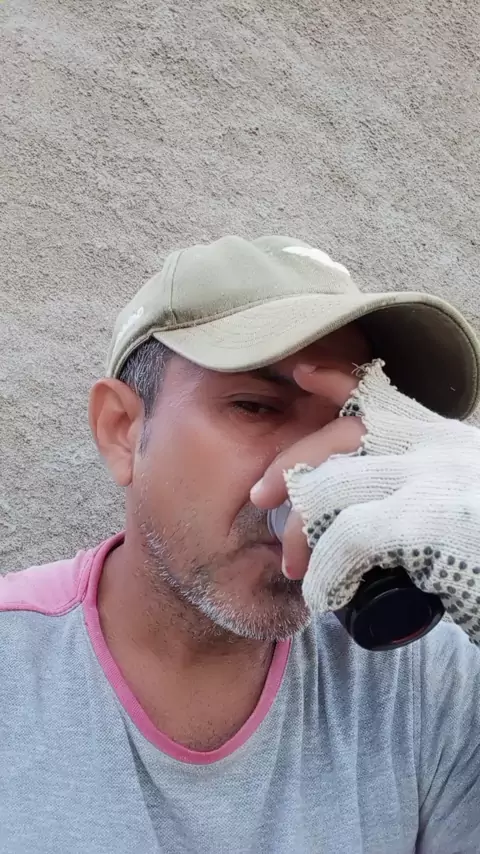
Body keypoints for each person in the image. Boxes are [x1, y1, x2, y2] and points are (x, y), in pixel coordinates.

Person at [1, 235, 479, 854]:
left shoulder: (428, 676)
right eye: (256, 407)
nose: (312, 476)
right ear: (122, 430)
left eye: (352, 422)